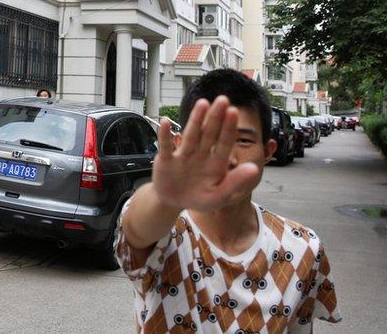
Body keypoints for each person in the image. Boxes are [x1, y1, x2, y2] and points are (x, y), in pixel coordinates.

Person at [115, 69, 341, 332]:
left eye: (243, 140)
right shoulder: (169, 233)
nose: (227, 158)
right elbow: (137, 229)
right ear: (180, 144)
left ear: (268, 151)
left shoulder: (304, 248)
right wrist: (165, 197)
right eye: (207, 138)